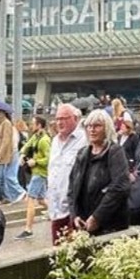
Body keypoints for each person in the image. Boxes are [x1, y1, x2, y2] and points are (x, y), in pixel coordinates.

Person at [68, 109, 130, 236]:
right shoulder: (82, 153)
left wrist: (97, 217)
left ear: (106, 129)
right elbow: (72, 188)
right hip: (84, 224)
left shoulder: (115, 151)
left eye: (97, 126)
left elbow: (120, 187)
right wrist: (75, 215)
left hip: (110, 225)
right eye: (89, 126)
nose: (92, 129)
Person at [46, 104, 87, 245]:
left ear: (75, 118)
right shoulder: (55, 141)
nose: (59, 122)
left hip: (74, 210)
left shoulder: (84, 139)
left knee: (75, 254)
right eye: (57, 119)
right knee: (57, 255)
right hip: (56, 209)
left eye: (64, 118)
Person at [16, 116, 51, 240]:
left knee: (30, 199)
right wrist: (23, 155)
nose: (31, 125)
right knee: (41, 200)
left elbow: (49, 159)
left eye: (33, 123)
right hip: (37, 173)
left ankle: (28, 229)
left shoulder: (44, 140)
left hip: (39, 173)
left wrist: (35, 161)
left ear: (39, 125)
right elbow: (26, 146)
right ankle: (54, 214)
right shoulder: (36, 137)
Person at [0, 109, 25, 204]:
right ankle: (7, 196)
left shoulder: (6, 124)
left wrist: (0, 154)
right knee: (1, 177)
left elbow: (6, 140)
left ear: (2, 113)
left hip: (0, 156)